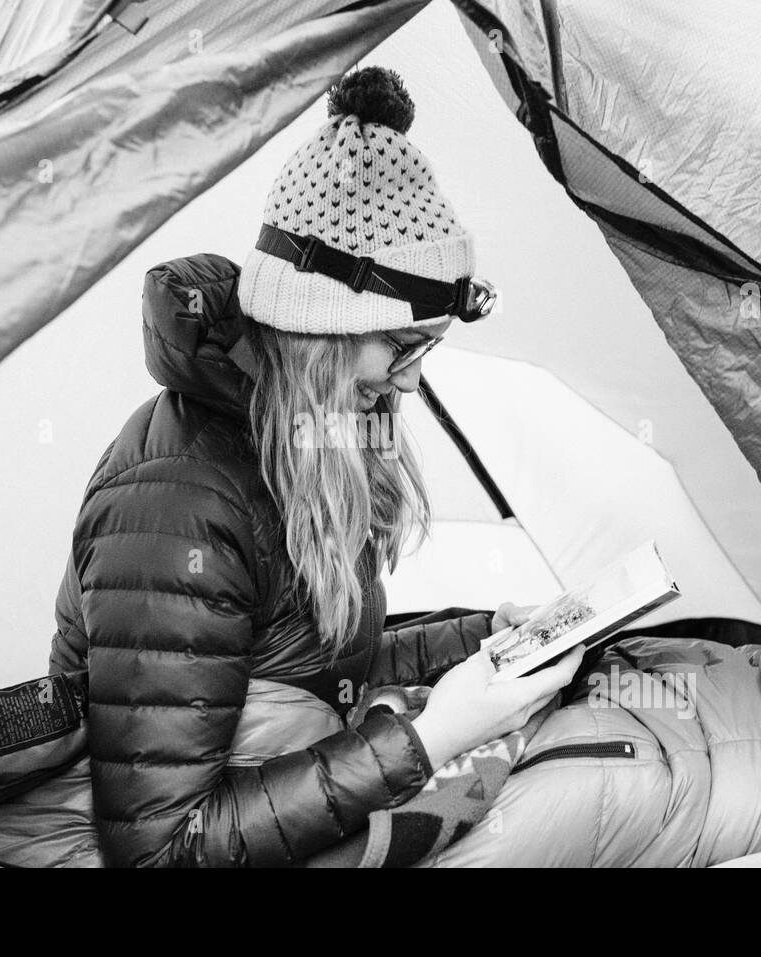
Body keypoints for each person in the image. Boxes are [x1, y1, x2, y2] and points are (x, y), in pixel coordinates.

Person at [46, 65, 581, 867]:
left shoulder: (314, 434)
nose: (412, 377)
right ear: (317, 334)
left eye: (426, 344)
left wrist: (481, 643)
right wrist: (430, 738)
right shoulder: (176, 506)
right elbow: (159, 849)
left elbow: (317, 665)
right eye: (402, 345)